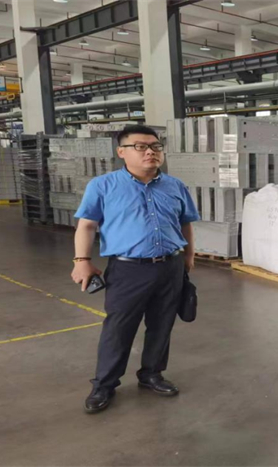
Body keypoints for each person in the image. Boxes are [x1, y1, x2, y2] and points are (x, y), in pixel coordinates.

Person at [71, 125, 199, 414]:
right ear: (121, 152)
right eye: (140, 146)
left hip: (170, 266)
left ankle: (152, 373)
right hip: (128, 270)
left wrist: (189, 255)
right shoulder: (103, 186)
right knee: (119, 328)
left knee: (162, 324)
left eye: (155, 146)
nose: (150, 152)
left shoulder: (175, 186)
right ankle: (104, 384)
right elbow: (87, 225)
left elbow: (185, 223)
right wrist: (82, 260)